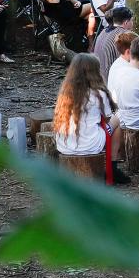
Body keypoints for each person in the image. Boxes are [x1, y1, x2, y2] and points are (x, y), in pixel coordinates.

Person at [52, 53, 129, 184]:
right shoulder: (98, 93)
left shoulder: (65, 92)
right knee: (117, 119)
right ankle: (113, 166)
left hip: (64, 145)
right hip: (90, 145)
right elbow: (107, 117)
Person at [93, 6, 135, 80]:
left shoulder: (103, 31)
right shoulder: (125, 35)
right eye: (132, 20)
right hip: (112, 78)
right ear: (126, 22)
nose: (133, 23)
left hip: (98, 77)